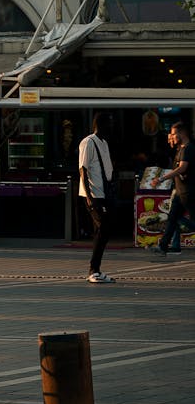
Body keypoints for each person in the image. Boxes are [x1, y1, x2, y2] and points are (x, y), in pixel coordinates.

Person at [78, 112, 115, 284]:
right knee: (104, 228)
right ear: (101, 124)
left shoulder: (104, 143)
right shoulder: (88, 142)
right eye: (109, 123)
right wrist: (89, 197)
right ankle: (94, 270)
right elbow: (83, 170)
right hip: (93, 194)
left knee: (104, 230)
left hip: (104, 193)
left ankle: (96, 269)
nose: (111, 127)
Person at [151, 120, 194, 257]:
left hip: (189, 192)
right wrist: (171, 141)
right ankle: (163, 246)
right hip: (180, 192)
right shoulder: (181, 148)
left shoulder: (189, 148)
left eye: (174, 134)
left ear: (182, 133)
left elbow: (182, 168)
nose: (173, 136)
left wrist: (162, 178)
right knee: (172, 218)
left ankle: (164, 246)